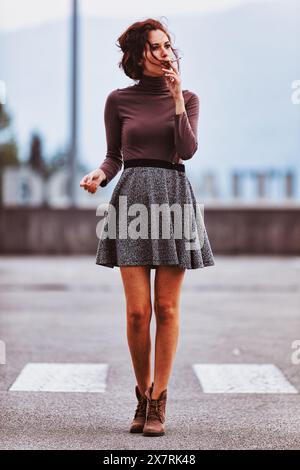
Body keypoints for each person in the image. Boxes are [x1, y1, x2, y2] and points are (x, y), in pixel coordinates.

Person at [80, 18, 215, 437]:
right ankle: (142, 393)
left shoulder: (188, 97)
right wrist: (100, 176)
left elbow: (187, 149)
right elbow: (113, 156)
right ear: (139, 55)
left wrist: (176, 99)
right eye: (156, 47)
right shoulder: (118, 100)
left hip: (174, 196)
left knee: (167, 308)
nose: (165, 52)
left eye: (168, 45)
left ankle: (159, 401)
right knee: (138, 312)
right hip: (132, 197)